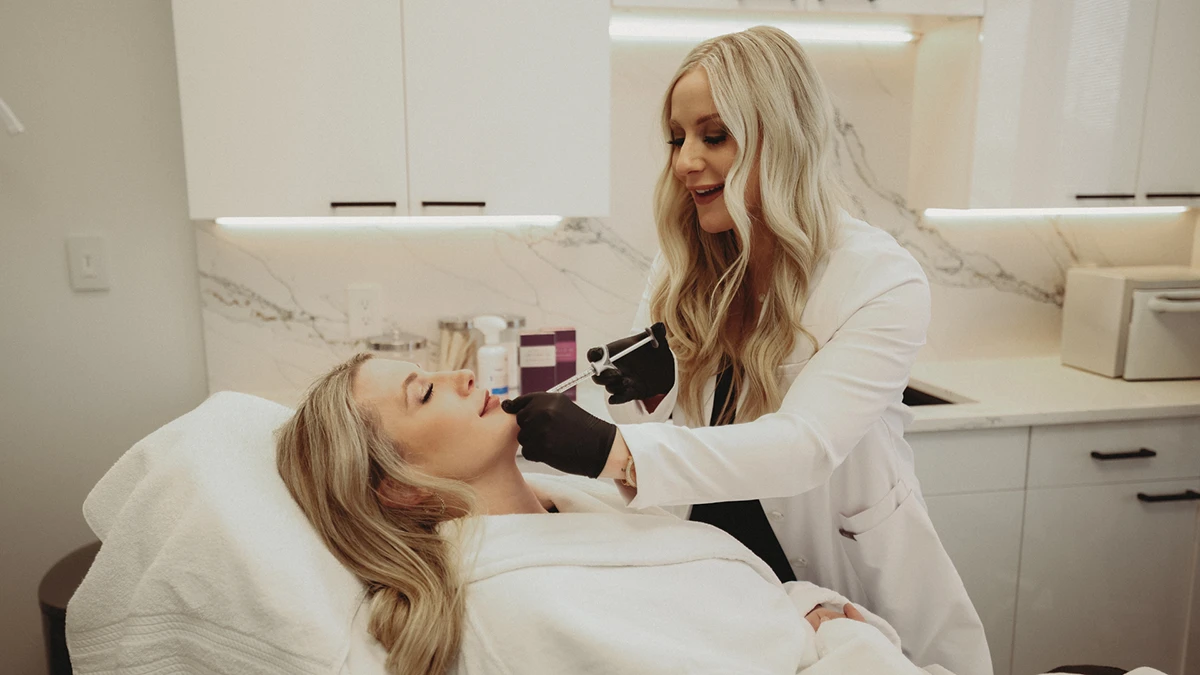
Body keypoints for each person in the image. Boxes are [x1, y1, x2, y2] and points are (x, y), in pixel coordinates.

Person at [500, 25, 991, 675]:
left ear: (779, 138)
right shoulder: (681, 267)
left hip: (842, 581)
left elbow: (804, 447)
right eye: (677, 138)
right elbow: (669, 440)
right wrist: (653, 393)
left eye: (713, 136)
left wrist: (611, 450)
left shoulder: (878, 278)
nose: (685, 161)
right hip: (725, 579)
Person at [275, 354, 954, 675]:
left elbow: (724, 603)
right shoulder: (512, 610)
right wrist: (841, 637)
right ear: (399, 488)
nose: (463, 375)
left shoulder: (571, 504)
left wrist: (806, 608)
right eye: (425, 393)